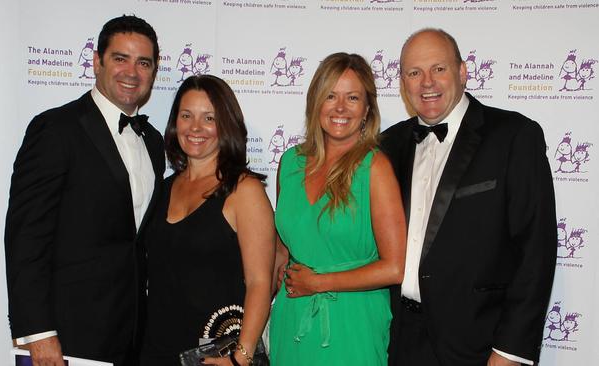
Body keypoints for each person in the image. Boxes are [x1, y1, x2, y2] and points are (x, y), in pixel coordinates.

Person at [380, 28, 557, 366]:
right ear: (402, 82)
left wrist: (509, 352)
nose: (426, 82)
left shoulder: (514, 137)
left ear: (462, 72)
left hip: (478, 345)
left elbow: (535, 250)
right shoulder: (388, 146)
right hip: (397, 340)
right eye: (414, 73)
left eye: (439, 69)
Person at [4, 15, 164, 366]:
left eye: (143, 63)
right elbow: (26, 239)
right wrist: (38, 333)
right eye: (120, 58)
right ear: (97, 62)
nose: (131, 72)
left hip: (133, 337)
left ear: (153, 72)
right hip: (67, 336)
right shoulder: (56, 130)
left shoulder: (153, 142)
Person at [269, 53, 406, 366]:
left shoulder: (375, 168)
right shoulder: (290, 163)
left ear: (367, 108)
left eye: (352, 97)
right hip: (292, 319)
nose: (340, 108)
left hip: (352, 323)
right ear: (315, 102)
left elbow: (394, 267)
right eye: (330, 95)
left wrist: (318, 282)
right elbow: (281, 250)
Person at [139, 75, 275, 366]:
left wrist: (241, 357)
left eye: (208, 117)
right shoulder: (162, 188)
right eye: (186, 116)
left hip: (217, 355)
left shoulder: (244, 191)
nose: (195, 128)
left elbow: (260, 282)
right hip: (157, 349)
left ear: (226, 124)